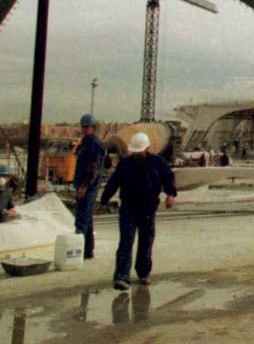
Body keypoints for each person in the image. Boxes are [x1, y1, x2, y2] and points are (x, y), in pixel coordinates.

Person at [100, 132, 177, 290]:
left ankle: (143, 272)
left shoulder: (158, 163)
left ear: (147, 148)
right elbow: (114, 182)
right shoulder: (125, 165)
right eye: (135, 152)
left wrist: (170, 194)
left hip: (148, 209)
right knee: (126, 242)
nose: (137, 154)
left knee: (146, 242)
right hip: (129, 208)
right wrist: (104, 199)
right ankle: (122, 276)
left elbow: (168, 177)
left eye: (139, 151)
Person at [74, 113, 106, 260]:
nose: (85, 129)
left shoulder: (94, 144)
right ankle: (87, 251)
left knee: (82, 219)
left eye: (88, 127)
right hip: (84, 184)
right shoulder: (86, 142)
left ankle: (78, 252)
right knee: (87, 218)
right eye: (84, 127)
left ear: (93, 128)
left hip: (88, 186)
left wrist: (84, 186)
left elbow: (93, 168)